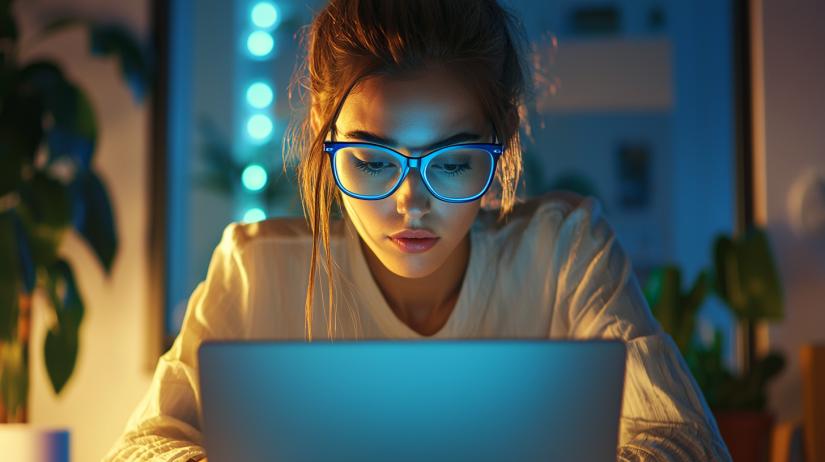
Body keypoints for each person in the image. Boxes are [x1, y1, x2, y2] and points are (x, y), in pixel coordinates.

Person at [104, 0, 732, 460]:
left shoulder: (566, 252)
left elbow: (686, 443)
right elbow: (140, 446)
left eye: (453, 162)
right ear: (324, 133)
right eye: (373, 161)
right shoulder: (255, 271)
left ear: (502, 141)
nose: (411, 204)